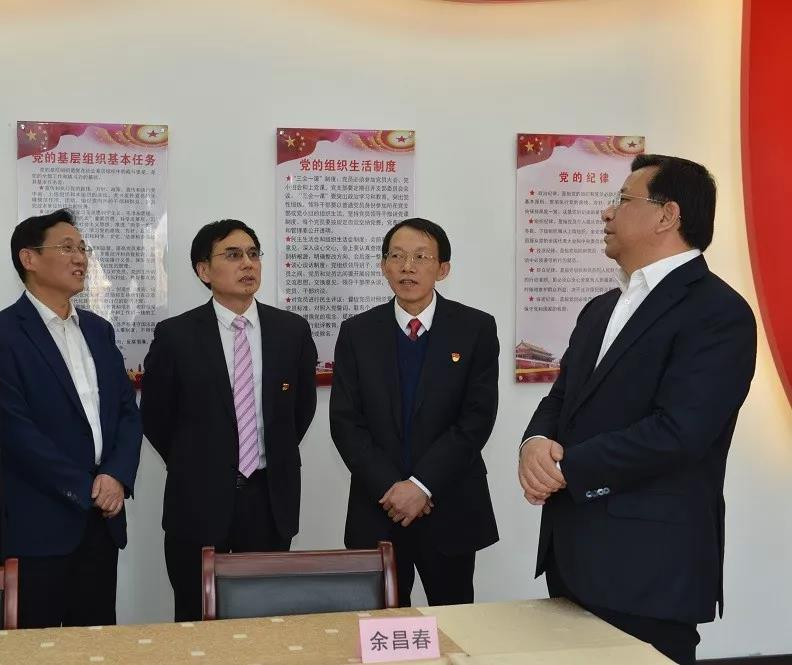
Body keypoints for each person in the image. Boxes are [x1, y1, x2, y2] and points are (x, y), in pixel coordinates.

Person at [518, 154, 757, 664]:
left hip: (649, 569)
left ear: (667, 216)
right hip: (574, 555)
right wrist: (534, 443)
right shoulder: (601, 307)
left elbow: (680, 432)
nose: (607, 212)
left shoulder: (718, 312)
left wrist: (567, 468)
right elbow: (562, 398)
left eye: (623, 200)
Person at [141, 219, 318, 621]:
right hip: (198, 500)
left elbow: (299, 411)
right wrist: (197, 462)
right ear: (204, 270)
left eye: (253, 254)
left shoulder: (291, 331)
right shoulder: (176, 336)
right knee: (196, 617)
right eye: (233, 255)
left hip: (269, 500)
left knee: (267, 616)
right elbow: (156, 417)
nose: (248, 264)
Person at [330, 217, 500, 607]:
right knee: (382, 625)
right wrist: (392, 488)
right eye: (397, 256)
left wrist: (421, 486)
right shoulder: (357, 332)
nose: (408, 267)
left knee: (456, 621)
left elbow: (476, 419)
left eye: (421, 257)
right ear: (383, 266)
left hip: (450, 504)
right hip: (379, 507)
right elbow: (345, 422)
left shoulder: (475, 328)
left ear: (443, 269)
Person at [0, 209, 142, 628]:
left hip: (102, 521)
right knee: (36, 647)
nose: (80, 258)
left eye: (82, 248)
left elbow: (127, 413)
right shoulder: (1, 333)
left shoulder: (98, 330)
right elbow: (14, 430)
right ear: (29, 258)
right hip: (40, 524)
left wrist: (115, 476)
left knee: (96, 642)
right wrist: (85, 487)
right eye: (66, 247)